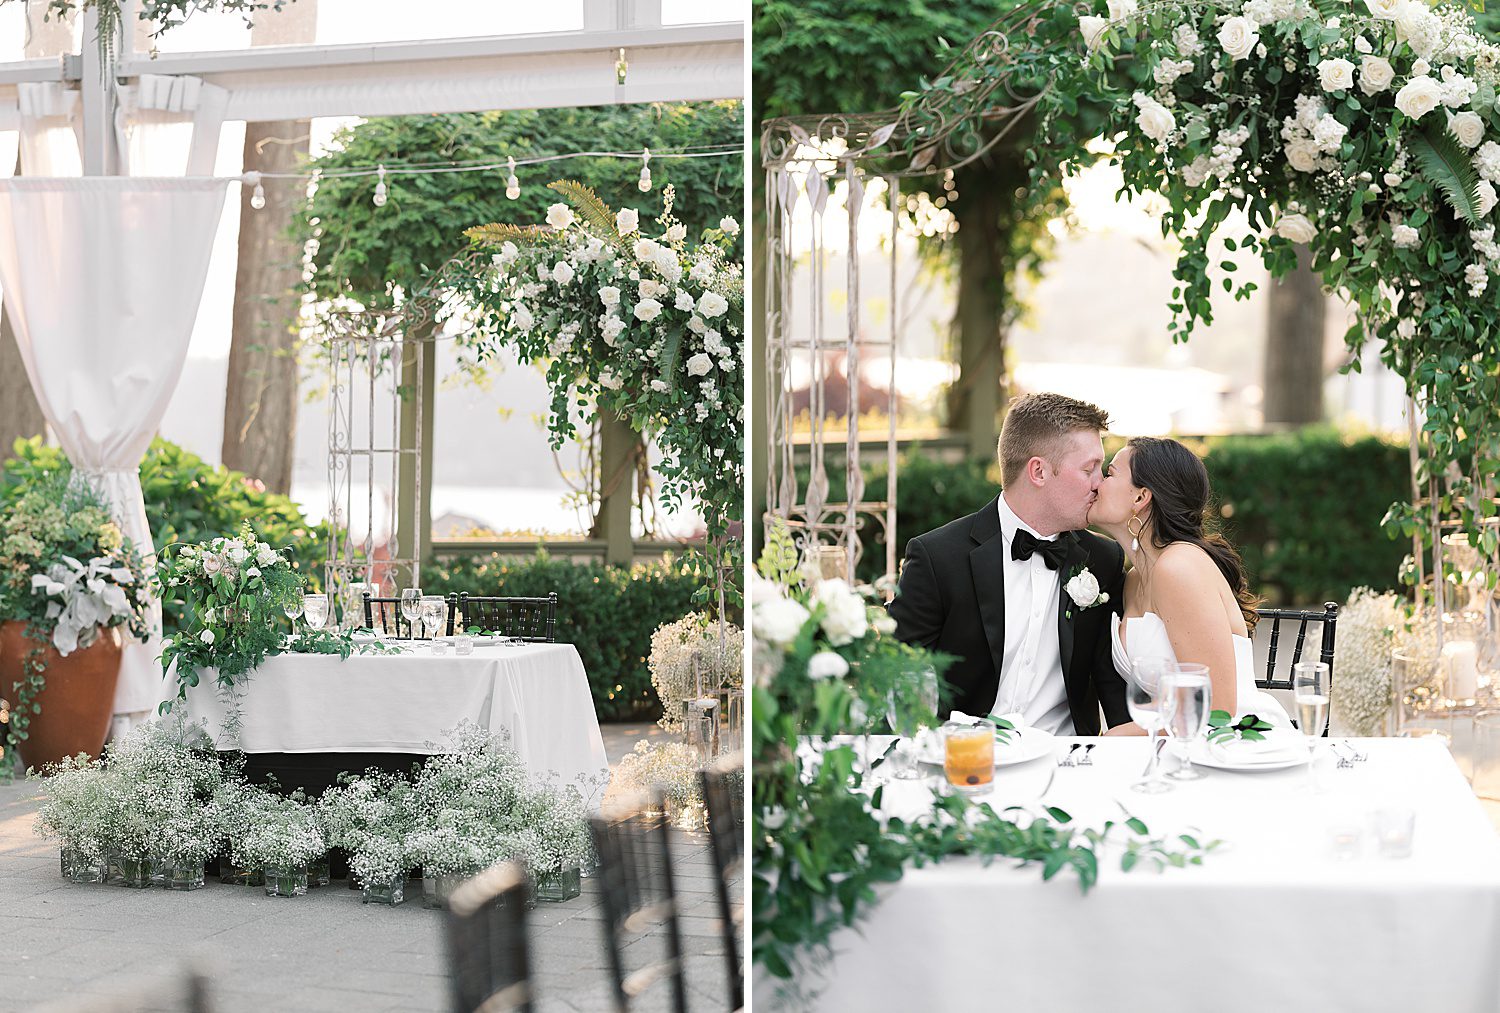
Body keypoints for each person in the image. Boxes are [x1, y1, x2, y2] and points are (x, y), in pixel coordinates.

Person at [888, 393, 1129, 734]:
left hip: (1065, 765)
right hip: (963, 762)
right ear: (1039, 471)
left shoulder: (1103, 560)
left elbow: (1113, 688)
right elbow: (894, 677)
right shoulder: (937, 558)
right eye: (1089, 469)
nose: (1099, 484)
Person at [1089, 436, 1290, 733]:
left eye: (1109, 473)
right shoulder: (1134, 580)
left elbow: (1216, 707)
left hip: (1230, 743)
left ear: (1140, 498)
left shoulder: (1178, 567)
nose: (1096, 483)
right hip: (1174, 746)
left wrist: (1117, 737)